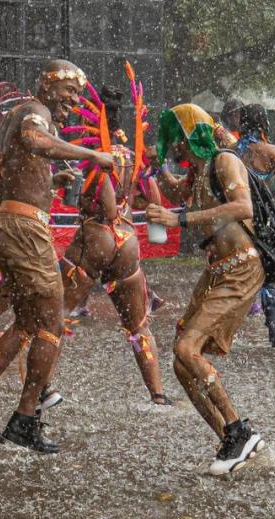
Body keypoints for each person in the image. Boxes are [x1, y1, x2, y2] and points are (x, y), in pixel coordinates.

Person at [0, 60, 114, 451]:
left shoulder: (20, 114)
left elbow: (1, 170)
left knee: (27, 321)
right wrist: (91, 155)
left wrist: (47, 179)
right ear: (48, 85)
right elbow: (35, 141)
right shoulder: (34, 112)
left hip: (9, 223)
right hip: (24, 230)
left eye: (77, 94)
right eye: (69, 92)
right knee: (52, 324)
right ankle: (25, 418)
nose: (73, 102)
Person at [147, 104, 266, 475]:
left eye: (175, 139)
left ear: (191, 135)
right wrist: (152, 167)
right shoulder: (199, 173)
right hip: (216, 270)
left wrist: (178, 218)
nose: (173, 146)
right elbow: (175, 192)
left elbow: (242, 206)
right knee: (181, 360)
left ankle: (238, 429)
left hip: (242, 267)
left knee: (187, 347)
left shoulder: (224, 162)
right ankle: (229, 443)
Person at [59, 86, 171, 406]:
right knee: (138, 326)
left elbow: (105, 208)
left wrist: (81, 196)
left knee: (53, 317)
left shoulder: (97, 150)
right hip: (128, 242)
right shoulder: (131, 152)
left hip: (97, 236)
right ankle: (158, 394)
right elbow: (146, 192)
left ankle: (38, 393)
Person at [235, 103, 275, 348]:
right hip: (263, 217)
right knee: (270, 270)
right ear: (263, 122)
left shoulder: (233, 150)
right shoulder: (272, 151)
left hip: (238, 216)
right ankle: (274, 333)